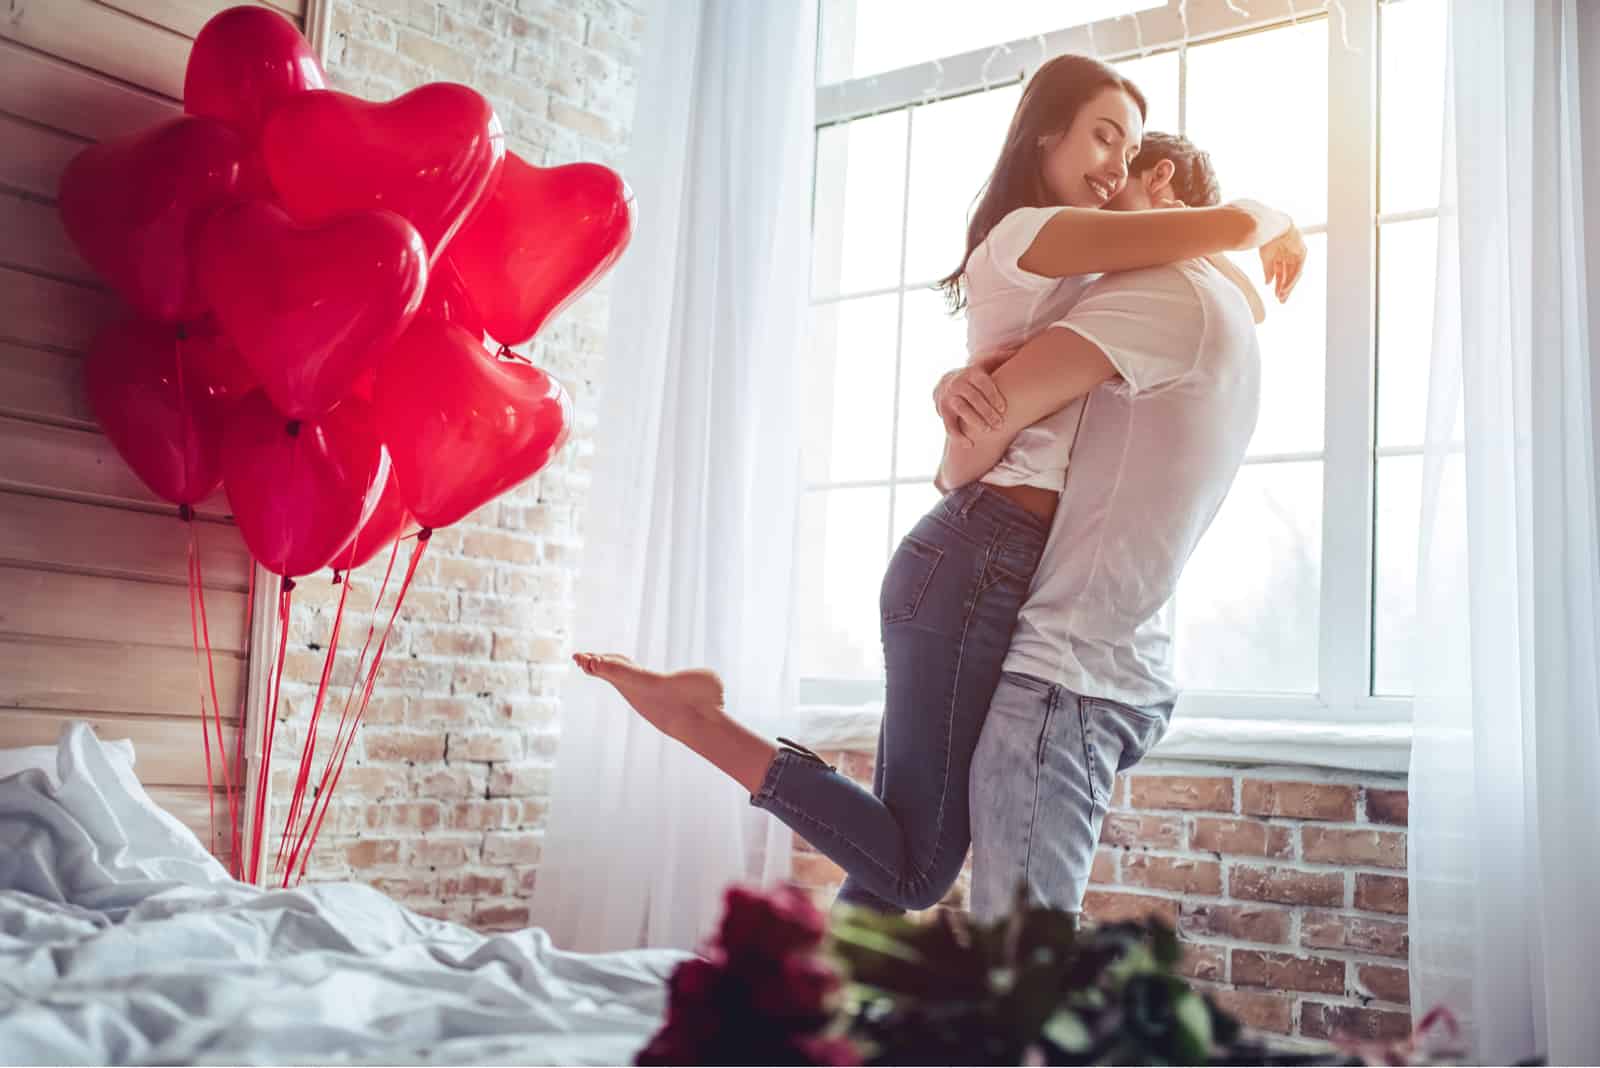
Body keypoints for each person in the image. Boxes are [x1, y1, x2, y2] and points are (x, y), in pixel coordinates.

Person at [571, 53, 1305, 914]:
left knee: (894, 860)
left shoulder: (1094, 276)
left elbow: (974, 441)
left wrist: (958, 417)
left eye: (1131, 148)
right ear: (1045, 130)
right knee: (918, 868)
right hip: (977, 556)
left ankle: (809, 1031)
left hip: (981, 550)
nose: (1115, 166)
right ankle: (697, 722)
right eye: (1105, 136)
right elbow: (1189, 240)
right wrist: (1265, 217)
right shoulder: (1034, 232)